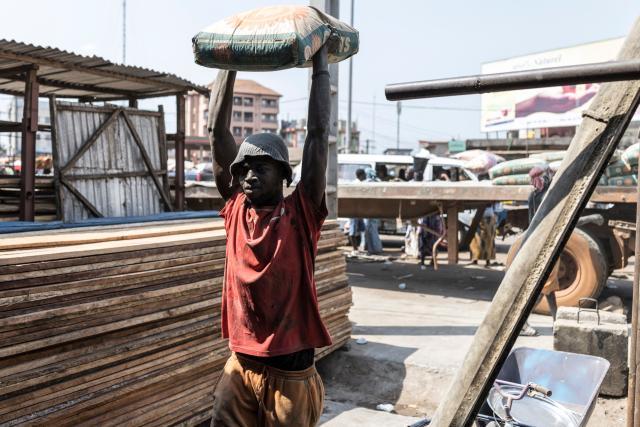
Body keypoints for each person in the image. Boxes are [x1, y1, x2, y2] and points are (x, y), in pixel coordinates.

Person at [207, 45, 331, 426]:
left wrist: (320, 62)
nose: (249, 176)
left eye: (261, 168)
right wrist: (225, 64)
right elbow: (215, 131)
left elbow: (318, 134)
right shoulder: (235, 210)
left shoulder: (301, 212)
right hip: (241, 363)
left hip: (291, 370)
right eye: (244, 169)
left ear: (284, 176)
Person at [363, 167, 384, 254]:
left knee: (369, 231)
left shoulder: (367, 183)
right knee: (374, 230)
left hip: (368, 210)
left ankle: (374, 249)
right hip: (376, 209)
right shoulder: (378, 182)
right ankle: (374, 248)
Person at [347, 169, 366, 254]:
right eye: (364, 175)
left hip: (358, 210)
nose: (365, 176)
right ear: (361, 175)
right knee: (353, 231)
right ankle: (355, 249)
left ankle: (358, 247)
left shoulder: (356, 183)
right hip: (354, 210)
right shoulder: (358, 184)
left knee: (362, 229)